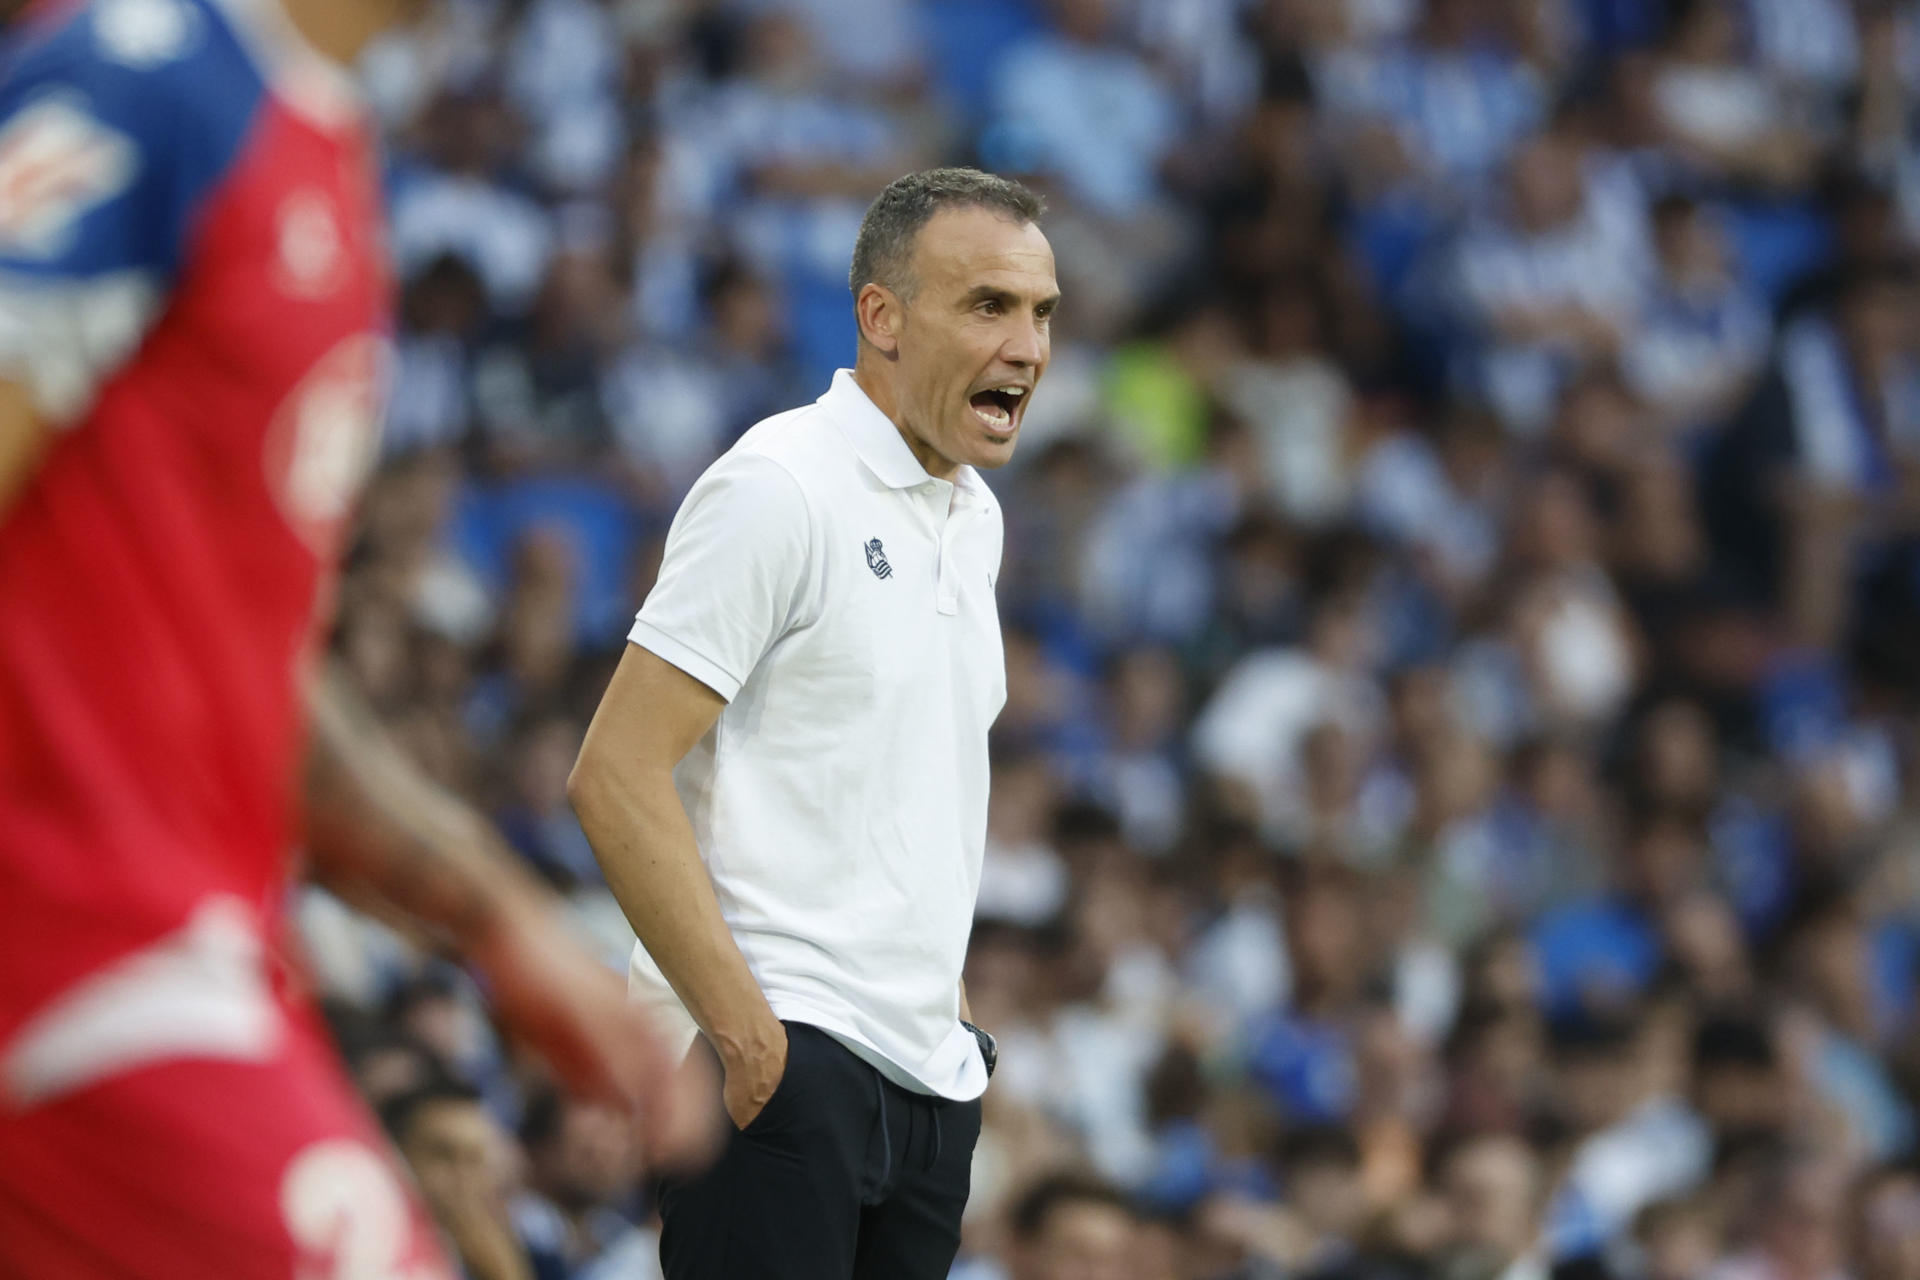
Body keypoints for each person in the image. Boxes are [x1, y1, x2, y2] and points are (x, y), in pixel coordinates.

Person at [0, 1, 710, 1276]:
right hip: (77, 943)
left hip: (168, 935)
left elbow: (243, 672)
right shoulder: (145, 77)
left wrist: (495, 915)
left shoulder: (313, 140)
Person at [569, 166, 1059, 1278]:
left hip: (926, 1081)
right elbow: (614, 773)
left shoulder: (975, 518)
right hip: (785, 1056)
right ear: (882, 316)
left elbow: (911, 796)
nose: (1027, 346)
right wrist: (747, 1039)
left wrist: (953, 1025)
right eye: (989, 305)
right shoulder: (778, 486)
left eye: (1041, 312)